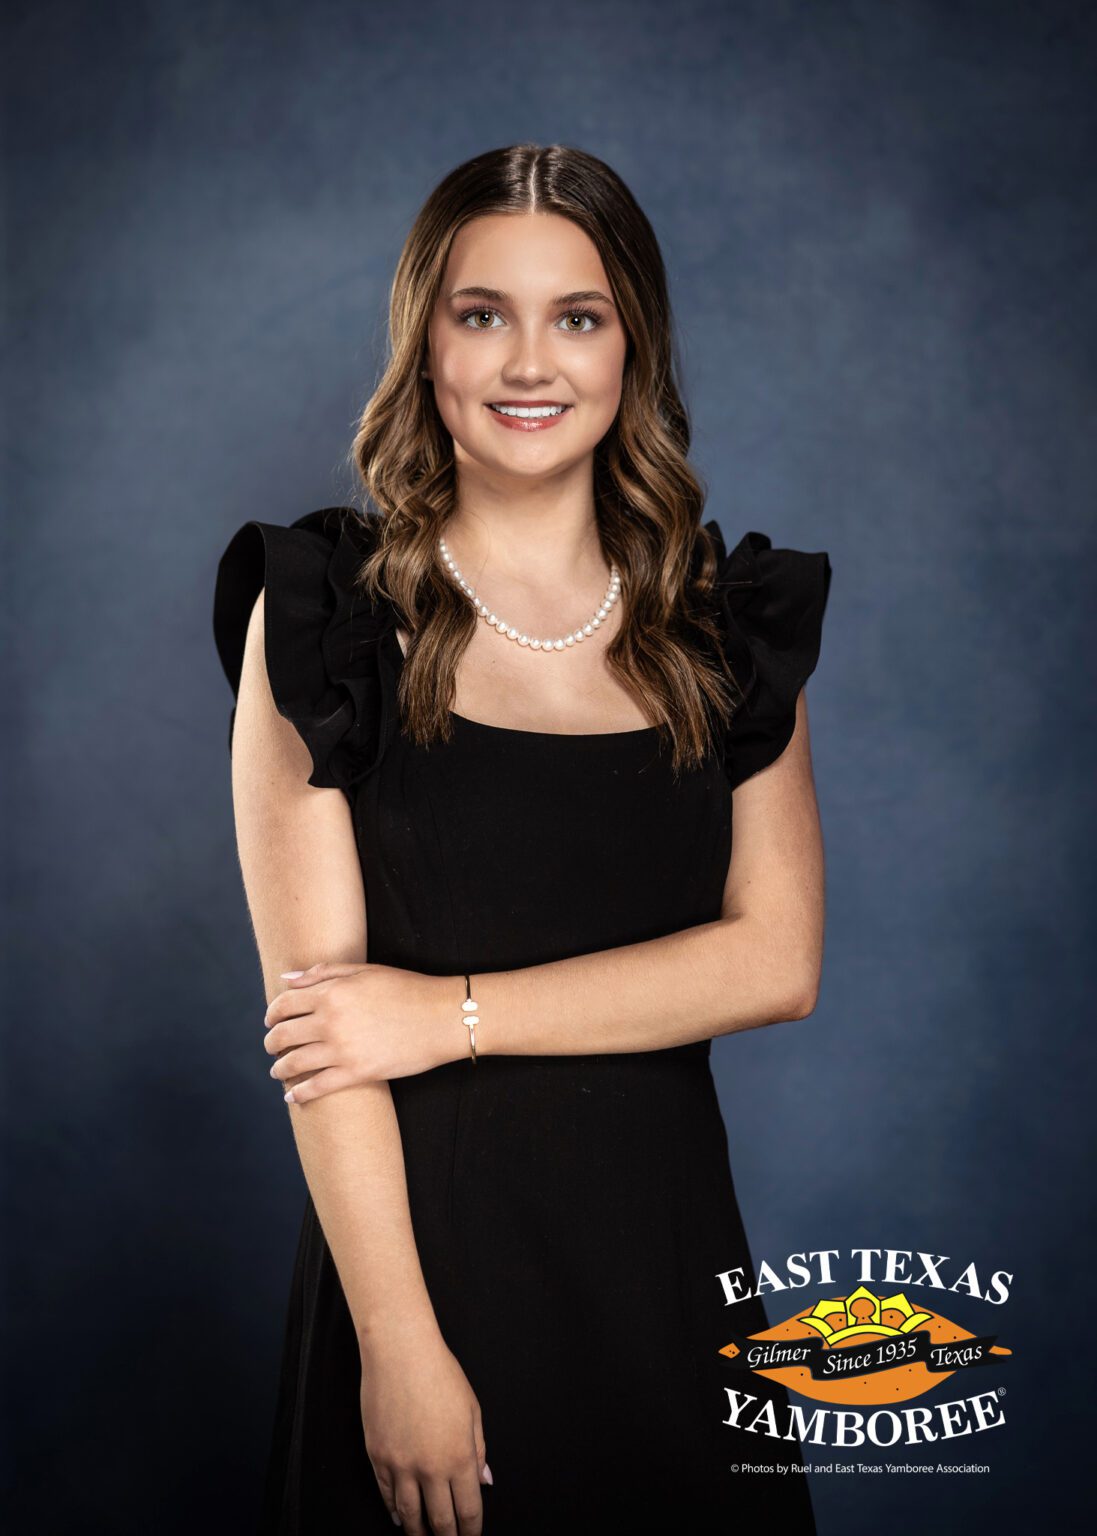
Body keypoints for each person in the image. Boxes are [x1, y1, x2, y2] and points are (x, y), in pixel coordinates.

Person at [213, 143, 831, 1536]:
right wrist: (400, 1349)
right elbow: (321, 1038)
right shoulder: (324, 620)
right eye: (479, 312)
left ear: (633, 349)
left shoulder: (725, 629)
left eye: (578, 315)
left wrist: (449, 1016)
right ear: (423, 341)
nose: (526, 362)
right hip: (424, 1279)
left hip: (665, 1277)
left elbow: (775, 962)